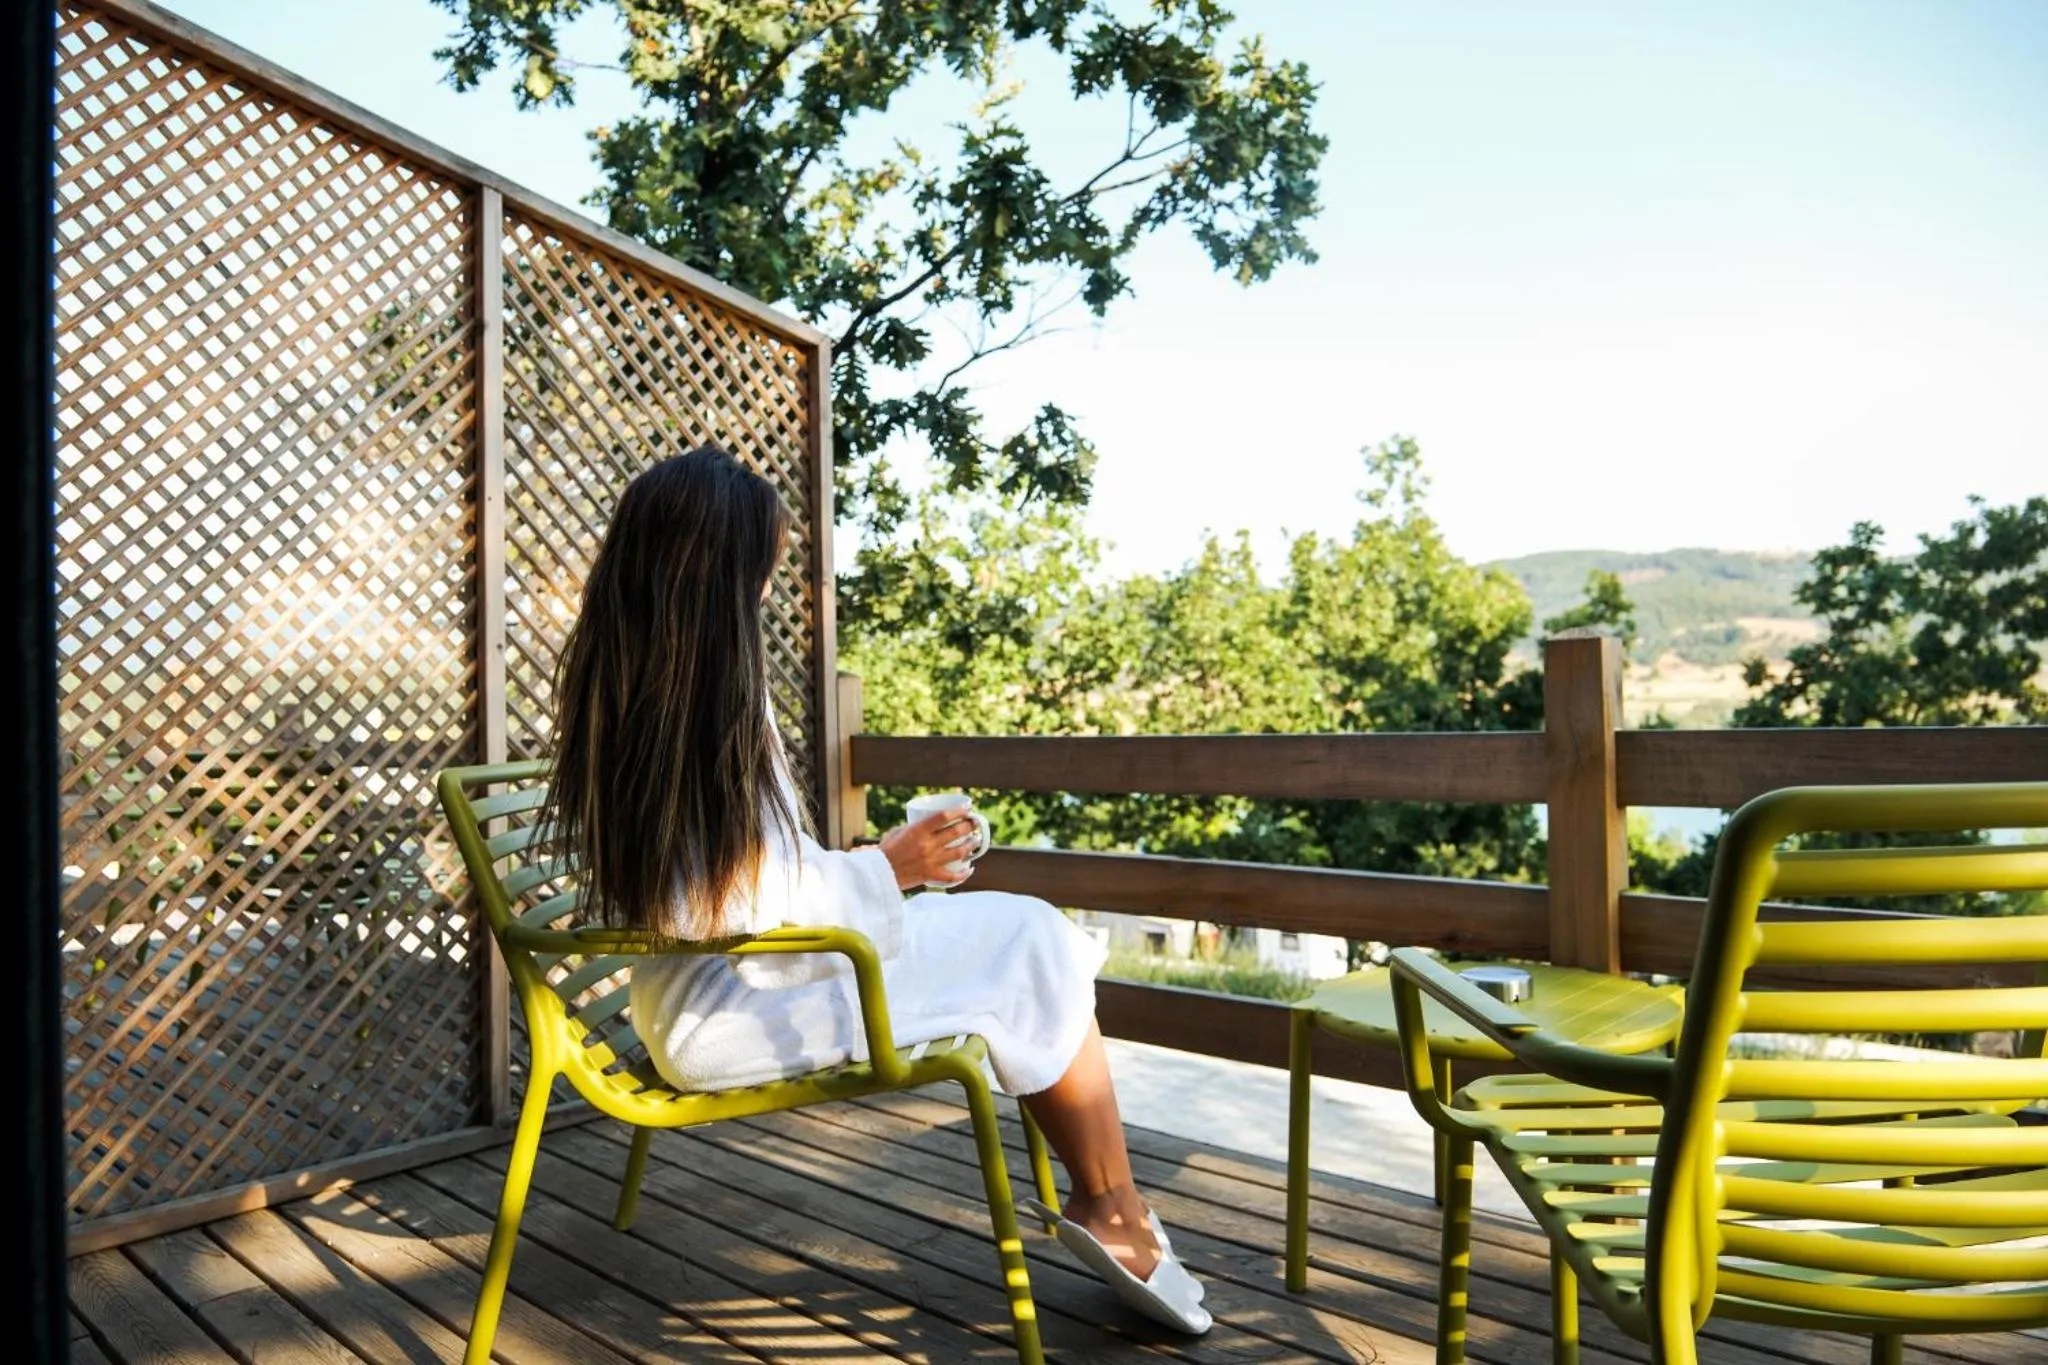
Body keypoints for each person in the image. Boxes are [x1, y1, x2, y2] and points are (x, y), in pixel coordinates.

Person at [543, 443, 1210, 1334]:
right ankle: (1112, 1207)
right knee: (1028, 938)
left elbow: (729, 883)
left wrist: (877, 867)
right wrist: (890, 867)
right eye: (764, 573)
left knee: (1018, 934)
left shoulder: (640, 689)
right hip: (730, 1013)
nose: (769, 594)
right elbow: (739, 904)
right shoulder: (705, 709)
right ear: (718, 574)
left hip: (713, 990)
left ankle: (1109, 1200)